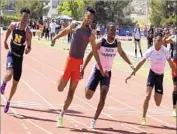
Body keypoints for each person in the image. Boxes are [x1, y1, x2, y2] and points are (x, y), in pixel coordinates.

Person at [51, 7, 105, 128]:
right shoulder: (75, 25)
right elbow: (65, 31)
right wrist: (55, 38)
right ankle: (62, 75)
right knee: (60, 88)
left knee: (71, 92)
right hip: (70, 61)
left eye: (91, 18)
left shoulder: (91, 34)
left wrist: (100, 66)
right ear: (84, 16)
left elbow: (95, 51)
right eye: (88, 16)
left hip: (79, 63)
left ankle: (61, 115)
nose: (89, 19)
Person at [81, 23, 135, 129]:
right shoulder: (101, 42)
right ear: (107, 31)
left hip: (107, 73)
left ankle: (94, 120)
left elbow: (122, 53)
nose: (113, 32)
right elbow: (91, 53)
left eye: (115, 31)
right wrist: (83, 68)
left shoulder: (117, 43)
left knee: (103, 96)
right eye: (111, 30)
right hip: (97, 71)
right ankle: (88, 86)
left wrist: (130, 63)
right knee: (88, 96)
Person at [125, 33, 176, 125]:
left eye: (161, 41)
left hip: (160, 76)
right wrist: (133, 72)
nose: (160, 43)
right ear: (154, 41)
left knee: (158, 103)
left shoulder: (165, 51)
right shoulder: (150, 51)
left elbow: (171, 65)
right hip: (152, 74)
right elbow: (141, 62)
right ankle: (144, 117)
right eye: (158, 41)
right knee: (147, 95)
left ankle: (156, 92)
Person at [0, 8, 32, 113]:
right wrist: (5, 41)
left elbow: (29, 46)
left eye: (26, 18)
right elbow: (8, 30)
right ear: (20, 17)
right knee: (9, 74)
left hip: (19, 58)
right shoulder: (14, 25)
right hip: (11, 54)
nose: (24, 20)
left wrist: (28, 49)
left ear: (28, 20)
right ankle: (3, 84)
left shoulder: (28, 32)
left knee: (15, 83)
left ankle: (8, 101)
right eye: (23, 17)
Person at [163, 33, 177, 117]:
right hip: (175, 62)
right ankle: (174, 108)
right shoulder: (174, 37)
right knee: (175, 87)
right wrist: (166, 36)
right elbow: (164, 43)